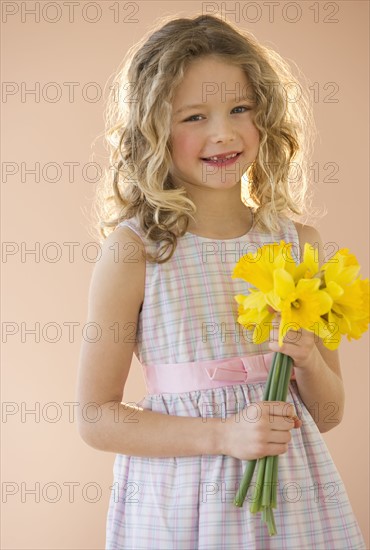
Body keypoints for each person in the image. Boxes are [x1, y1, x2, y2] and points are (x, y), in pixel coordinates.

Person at [76, 13, 366, 550]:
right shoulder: (137, 250)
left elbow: (328, 416)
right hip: (181, 501)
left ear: (266, 116)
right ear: (153, 131)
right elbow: (96, 418)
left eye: (240, 108)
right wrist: (224, 436)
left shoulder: (299, 243)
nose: (223, 133)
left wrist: (305, 359)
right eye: (193, 117)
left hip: (293, 498)